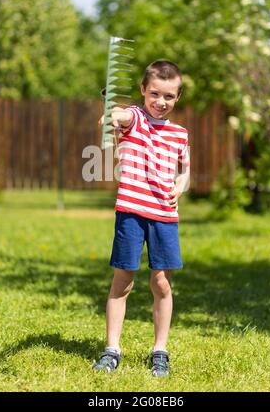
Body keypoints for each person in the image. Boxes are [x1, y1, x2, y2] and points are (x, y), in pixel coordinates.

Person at [93, 60, 190, 377]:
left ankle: (160, 350)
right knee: (123, 281)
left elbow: (185, 172)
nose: (161, 102)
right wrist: (113, 114)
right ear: (142, 92)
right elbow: (120, 116)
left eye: (169, 96)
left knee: (161, 282)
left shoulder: (179, 134)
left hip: (164, 217)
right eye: (154, 94)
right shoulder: (134, 119)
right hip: (131, 214)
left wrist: (179, 185)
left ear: (177, 97)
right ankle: (112, 350)